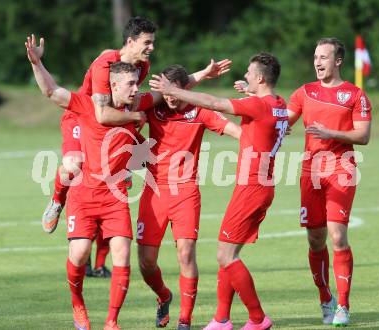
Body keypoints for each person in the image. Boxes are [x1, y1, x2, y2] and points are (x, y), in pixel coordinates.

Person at [95, 63, 240, 330]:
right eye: (166, 92)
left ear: (186, 90)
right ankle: (164, 295)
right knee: (146, 263)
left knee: (186, 254)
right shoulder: (153, 108)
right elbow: (120, 112)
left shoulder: (200, 112)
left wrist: (263, 138)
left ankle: (184, 321)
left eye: (175, 92)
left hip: (186, 191)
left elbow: (237, 131)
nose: (170, 98)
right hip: (154, 191)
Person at [150, 52, 288, 330]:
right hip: (262, 185)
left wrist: (173, 90)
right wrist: (249, 91)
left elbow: (213, 102)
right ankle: (221, 319)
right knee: (227, 251)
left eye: (250, 74)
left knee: (226, 256)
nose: (246, 76)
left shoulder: (257, 106)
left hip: (251, 187)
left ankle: (258, 319)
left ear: (260, 78)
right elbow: (264, 113)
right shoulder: (278, 104)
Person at [26, 34, 150, 330]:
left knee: (122, 253)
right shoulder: (88, 105)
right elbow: (51, 91)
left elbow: (168, 102)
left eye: (137, 83)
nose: (136, 89)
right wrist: (36, 62)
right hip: (83, 194)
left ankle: (111, 322)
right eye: (130, 85)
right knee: (80, 254)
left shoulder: (137, 110)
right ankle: (78, 305)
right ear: (114, 86)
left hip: (116, 197)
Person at [40, 16, 158, 278]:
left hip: (110, 129)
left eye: (152, 43)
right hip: (82, 117)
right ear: (130, 41)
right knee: (73, 165)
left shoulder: (142, 65)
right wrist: (136, 118)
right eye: (147, 43)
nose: (151, 48)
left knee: (116, 179)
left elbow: (128, 102)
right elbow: (103, 114)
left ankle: (100, 260)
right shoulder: (104, 65)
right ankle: (57, 200)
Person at [286, 37, 372, 326]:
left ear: (337, 61)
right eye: (315, 57)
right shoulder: (305, 92)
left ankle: (343, 306)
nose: (317, 62)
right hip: (311, 170)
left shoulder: (355, 94)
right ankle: (325, 298)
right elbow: (284, 120)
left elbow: (363, 136)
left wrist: (332, 134)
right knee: (315, 239)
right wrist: (259, 101)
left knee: (337, 236)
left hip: (341, 168)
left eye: (323, 57)